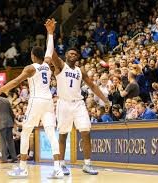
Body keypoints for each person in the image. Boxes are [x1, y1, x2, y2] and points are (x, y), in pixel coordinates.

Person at [46, 19, 110, 175]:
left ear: (78, 57)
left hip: (79, 104)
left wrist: (105, 100)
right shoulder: (61, 65)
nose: (73, 55)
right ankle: (61, 164)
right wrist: (50, 33)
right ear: (66, 55)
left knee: (86, 132)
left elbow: (93, 86)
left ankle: (87, 164)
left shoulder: (80, 71)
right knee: (63, 135)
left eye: (75, 54)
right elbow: (51, 52)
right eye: (70, 53)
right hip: (63, 103)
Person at [0, 45, 64, 178]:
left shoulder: (30, 68)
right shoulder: (48, 65)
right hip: (48, 101)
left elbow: (15, 82)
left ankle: (23, 168)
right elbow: (49, 50)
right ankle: (58, 169)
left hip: (36, 101)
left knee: (25, 133)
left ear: (33, 56)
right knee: (52, 134)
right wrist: (50, 32)